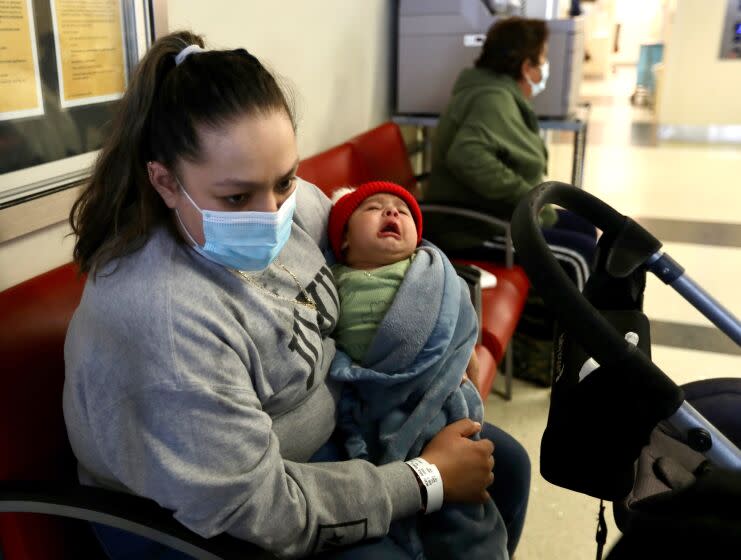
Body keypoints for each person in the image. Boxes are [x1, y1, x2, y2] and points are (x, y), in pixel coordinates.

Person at [62, 30, 530, 559]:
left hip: (328, 439)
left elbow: (380, 249)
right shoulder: (165, 320)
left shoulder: (293, 204)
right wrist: (424, 481)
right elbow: (261, 509)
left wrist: (444, 339)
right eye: (236, 197)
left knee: (505, 466)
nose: (272, 215)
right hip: (209, 523)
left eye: (284, 181)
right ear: (166, 182)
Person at [327, 180, 508, 559]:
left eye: (403, 210)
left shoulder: (429, 273)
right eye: (372, 208)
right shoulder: (333, 282)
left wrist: (460, 359)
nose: (391, 212)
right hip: (378, 402)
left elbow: (458, 319)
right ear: (343, 241)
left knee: (463, 517)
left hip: (437, 399)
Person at [425, 16, 596, 290]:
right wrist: (526, 196)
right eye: (542, 58)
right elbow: (467, 156)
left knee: (584, 227)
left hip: (497, 214)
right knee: (580, 255)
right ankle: (574, 332)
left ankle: (546, 317)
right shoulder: (492, 98)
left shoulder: (497, 91)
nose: (545, 66)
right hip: (472, 228)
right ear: (526, 66)